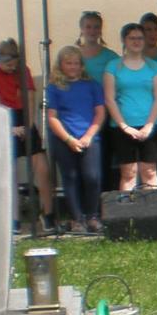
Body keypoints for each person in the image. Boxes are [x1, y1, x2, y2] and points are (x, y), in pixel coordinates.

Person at [0, 38, 59, 234]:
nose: (11, 68)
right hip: (3, 115)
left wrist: (28, 123)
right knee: (11, 172)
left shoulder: (22, 70)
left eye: (14, 64)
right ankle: (14, 220)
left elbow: (30, 97)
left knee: (41, 167)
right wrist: (8, 127)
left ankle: (48, 215)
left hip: (22, 116)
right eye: (7, 65)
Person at [45, 45, 106, 233]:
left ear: (81, 65)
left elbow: (100, 113)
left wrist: (88, 136)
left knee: (92, 177)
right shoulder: (54, 87)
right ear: (61, 65)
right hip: (64, 138)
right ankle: (76, 219)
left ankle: (92, 216)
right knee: (70, 177)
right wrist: (69, 139)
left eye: (76, 63)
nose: (72, 67)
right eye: (68, 63)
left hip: (89, 138)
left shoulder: (92, 85)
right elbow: (52, 117)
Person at [103, 22, 157, 191]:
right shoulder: (113, 66)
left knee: (150, 171)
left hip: (150, 125)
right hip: (122, 126)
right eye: (132, 38)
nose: (136, 41)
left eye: (140, 38)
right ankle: (128, 215)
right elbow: (109, 99)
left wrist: (149, 126)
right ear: (124, 40)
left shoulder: (154, 66)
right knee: (128, 173)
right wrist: (124, 126)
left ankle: (152, 212)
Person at [75, 11, 119, 82]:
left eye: (96, 27)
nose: (92, 31)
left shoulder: (111, 57)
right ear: (81, 29)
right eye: (88, 27)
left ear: (101, 30)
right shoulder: (72, 55)